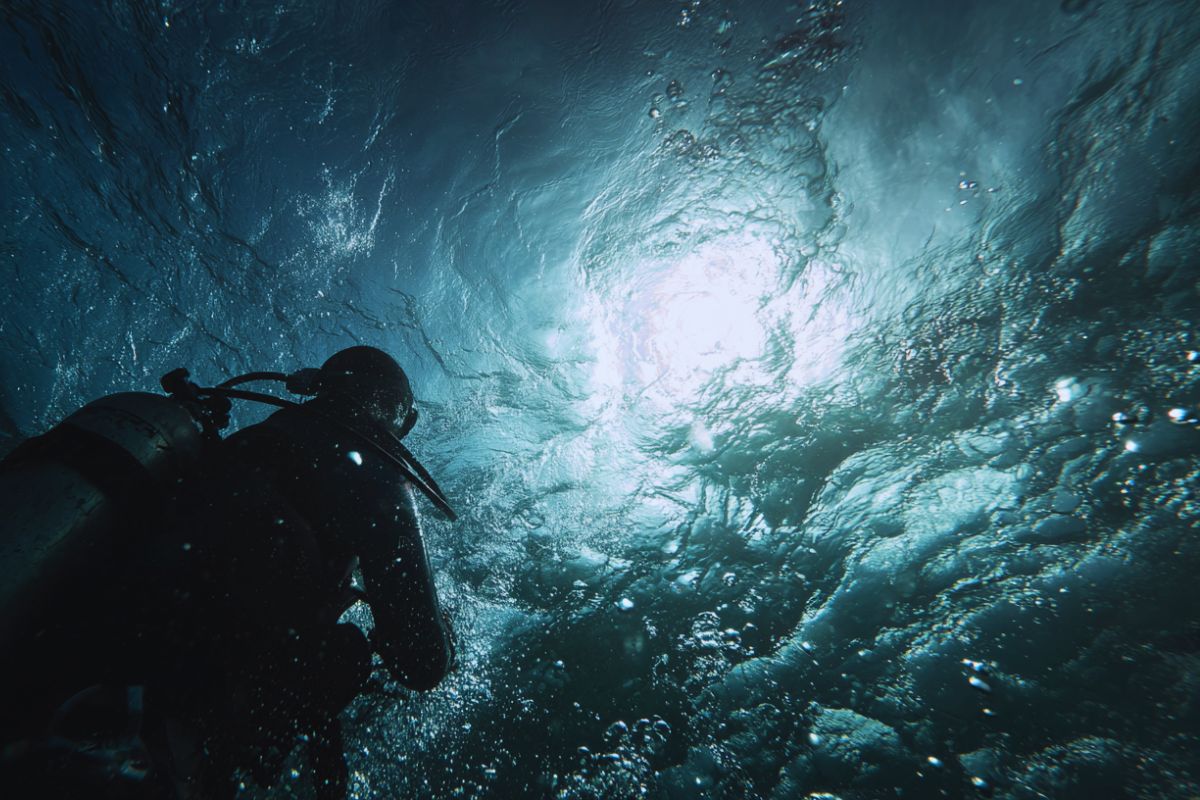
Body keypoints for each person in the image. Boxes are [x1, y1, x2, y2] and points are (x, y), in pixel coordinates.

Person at [0, 346, 457, 799]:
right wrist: (443, 637)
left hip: (64, 663)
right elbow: (420, 662)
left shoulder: (233, 447)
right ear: (405, 418)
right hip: (167, 730)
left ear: (315, 384)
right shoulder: (375, 468)